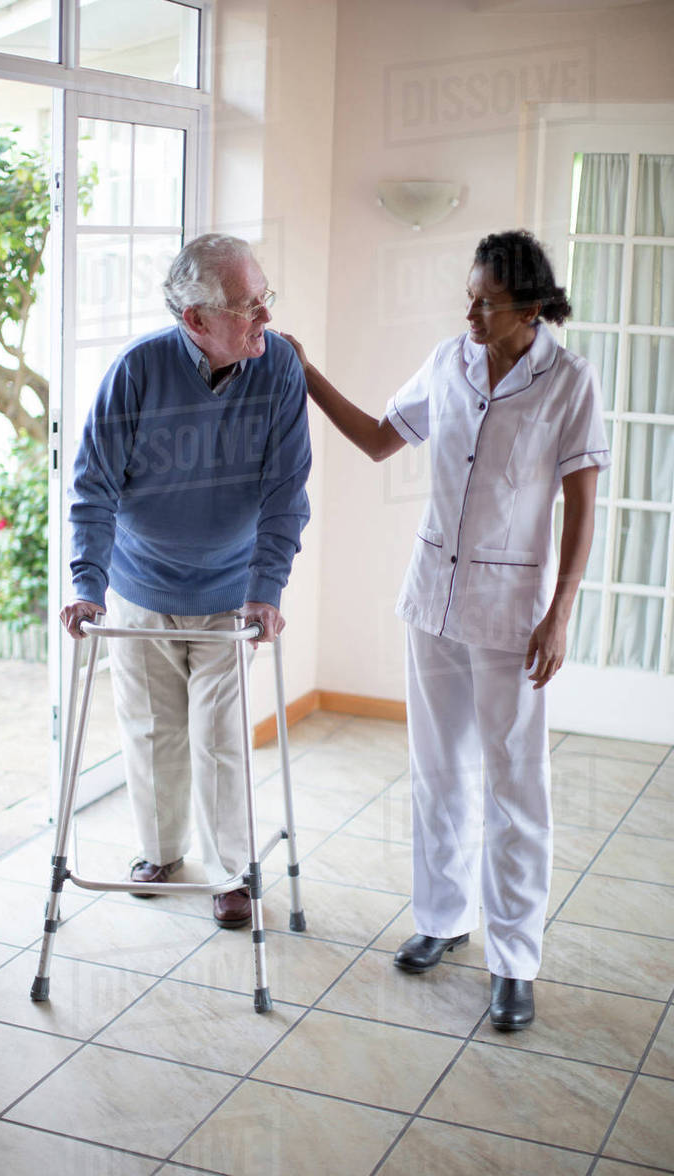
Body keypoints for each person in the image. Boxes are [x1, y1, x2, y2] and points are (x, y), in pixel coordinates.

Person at [283, 229, 609, 1029]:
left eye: (485, 300)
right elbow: (375, 439)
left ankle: (515, 961)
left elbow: (582, 508)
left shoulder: (569, 382)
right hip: (432, 600)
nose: (470, 310)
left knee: (515, 788)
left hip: (513, 617)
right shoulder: (449, 362)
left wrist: (560, 614)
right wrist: (303, 369)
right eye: (468, 294)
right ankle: (440, 918)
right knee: (437, 775)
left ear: (529, 308)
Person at [61, 233, 311, 929]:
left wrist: (268, 587)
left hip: (231, 594)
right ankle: (161, 851)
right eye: (246, 306)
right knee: (150, 730)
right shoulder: (138, 370)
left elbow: (288, 488)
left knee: (220, 736)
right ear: (195, 320)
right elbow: (93, 487)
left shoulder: (280, 366)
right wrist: (89, 581)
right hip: (141, 590)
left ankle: (232, 871)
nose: (264, 317)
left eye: (265, 299)